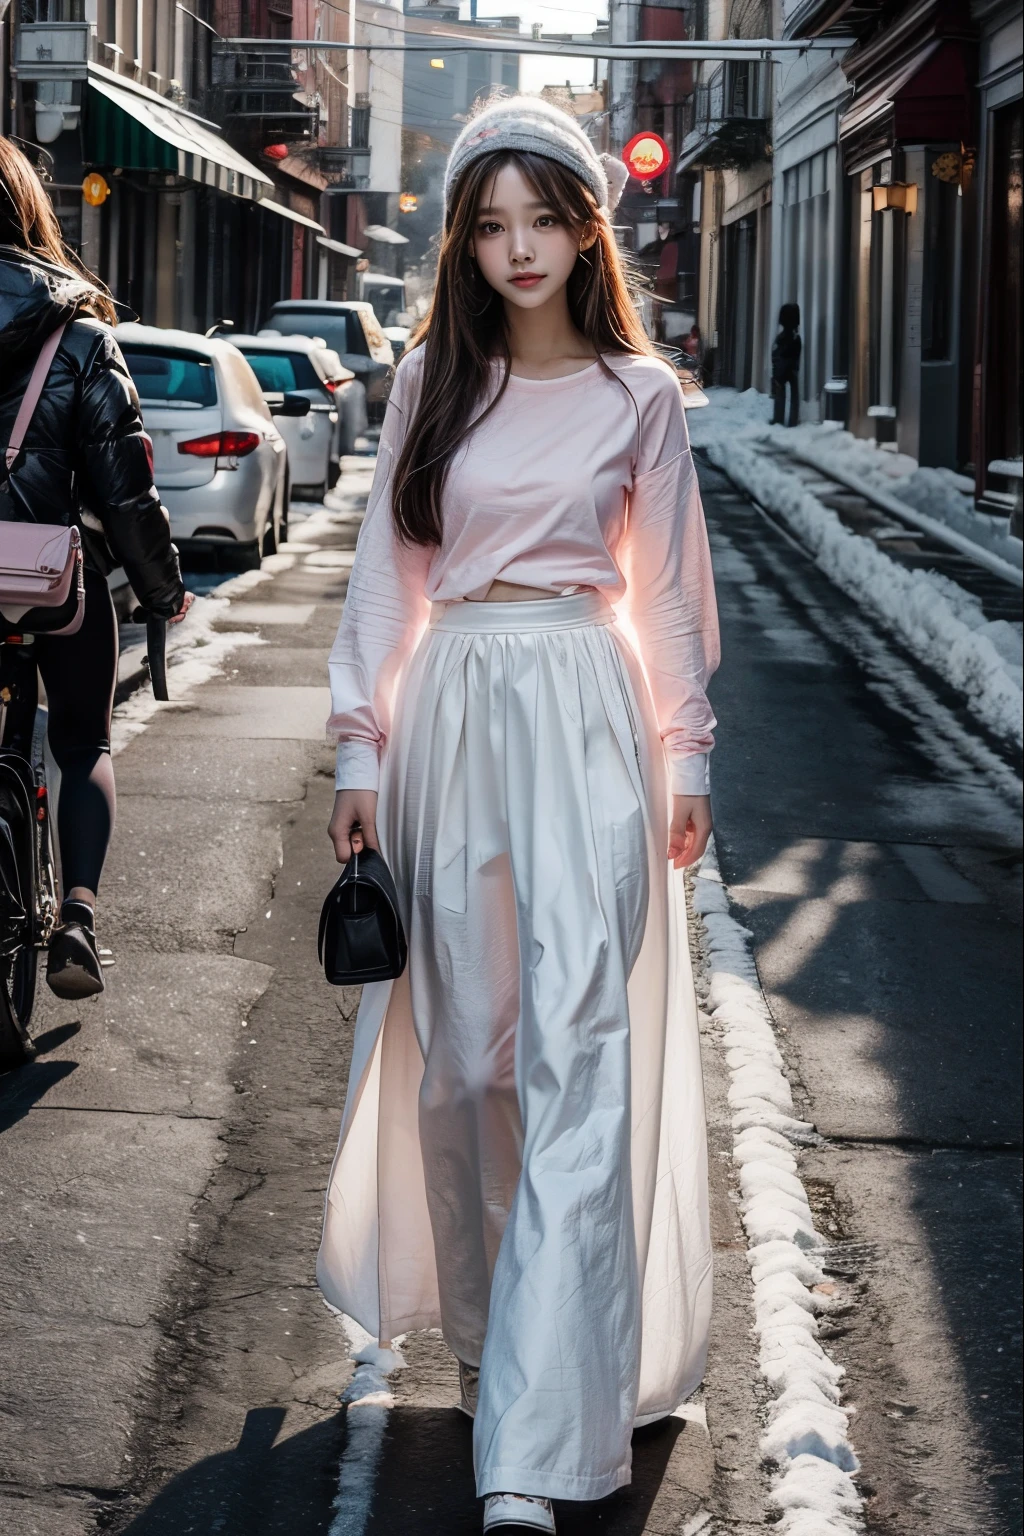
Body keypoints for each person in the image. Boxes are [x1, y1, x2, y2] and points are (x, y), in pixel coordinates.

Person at [319, 96, 720, 1535]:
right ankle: (504, 1348)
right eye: (489, 226)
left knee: (574, 1067)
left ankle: (537, 1455)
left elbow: (666, 590)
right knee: (468, 1070)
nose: (519, 249)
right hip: (455, 718)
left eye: (543, 219)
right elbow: (385, 574)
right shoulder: (432, 378)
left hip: (588, 720)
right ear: (463, 244)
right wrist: (359, 748)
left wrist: (688, 754)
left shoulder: (639, 398)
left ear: (585, 224)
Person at [0, 136, 192, 999]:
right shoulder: (77, 338)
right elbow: (126, 494)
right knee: (81, 739)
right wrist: (161, 591)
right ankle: (76, 915)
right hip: (49, 587)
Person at [771, 302, 801, 426]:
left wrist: (776, 367)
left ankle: (779, 419)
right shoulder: (795, 338)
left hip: (782, 369)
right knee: (794, 395)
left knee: (780, 394)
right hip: (792, 368)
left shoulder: (781, 337)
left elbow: (776, 353)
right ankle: (792, 420)